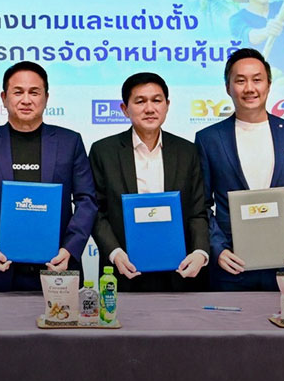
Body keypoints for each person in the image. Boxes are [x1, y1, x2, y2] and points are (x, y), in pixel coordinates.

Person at [0, 61, 96, 292]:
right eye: (18, 92)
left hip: (57, 267)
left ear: (46, 97)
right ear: (4, 97)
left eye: (34, 92)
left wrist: (69, 249)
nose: (26, 100)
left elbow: (87, 201)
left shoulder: (69, 142)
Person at [194, 48, 284, 291]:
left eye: (257, 80)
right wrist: (218, 249)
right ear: (228, 87)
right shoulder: (209, 139)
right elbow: (201, 205)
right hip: (232, 265)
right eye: (240, 81)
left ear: (269, 85)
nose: (249, 88)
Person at [88, 72, 210, 291]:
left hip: (179, 272)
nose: (150, 108)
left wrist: (200, 252)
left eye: (156, 100)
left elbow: (197, 211)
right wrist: (115, 253)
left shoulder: (187, 151)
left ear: (167, 105)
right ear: (124, 109)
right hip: (123, 271)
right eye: (140, 101)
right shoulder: (103, 152)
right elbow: (97, 212)